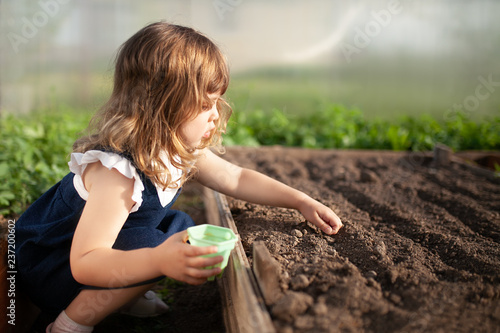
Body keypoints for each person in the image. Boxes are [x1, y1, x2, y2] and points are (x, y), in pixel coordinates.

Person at [15, 21, 343, 333]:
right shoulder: (118, 173)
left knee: (182, 229)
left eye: (216, 102)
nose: (216, 114)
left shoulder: (178, 150)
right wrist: (158, 260)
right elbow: (85, 263)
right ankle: (71, 321)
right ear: (163, 106)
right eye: (205, 104)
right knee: (157, 248)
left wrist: (300, 201)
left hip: (94, 259)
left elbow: (237, 178)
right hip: (51, 267)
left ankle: (117, 295)